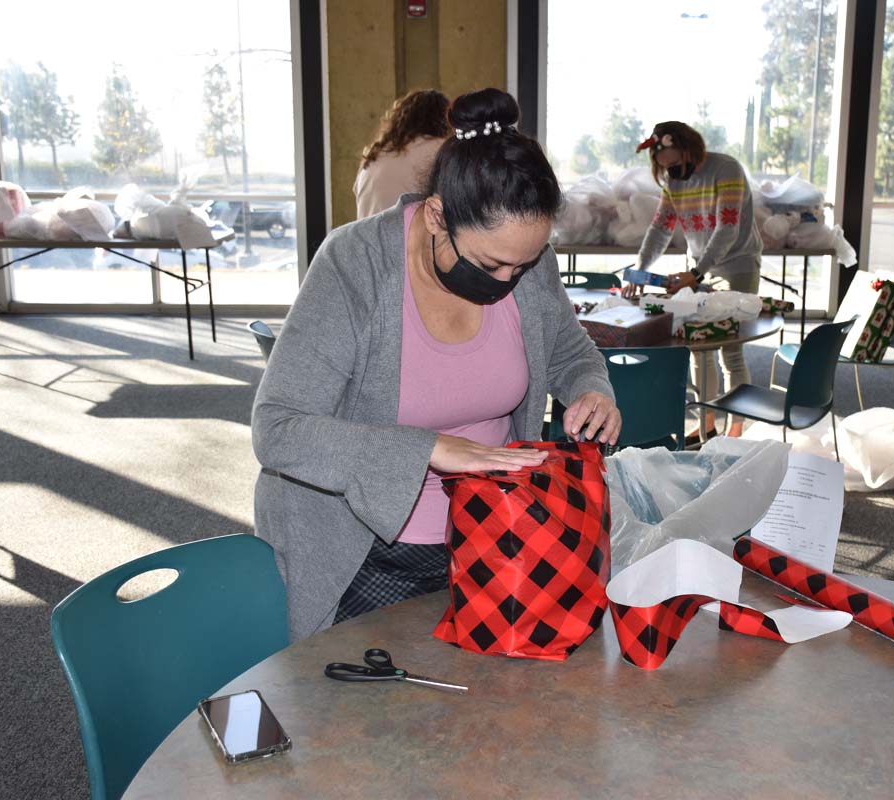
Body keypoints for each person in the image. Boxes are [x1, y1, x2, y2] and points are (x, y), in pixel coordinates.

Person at [254, 88, 622, 642]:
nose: (507, 283)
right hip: (366, 549)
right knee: (376, 710)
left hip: (496, 532)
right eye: (490, 263)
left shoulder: (525, 257)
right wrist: (429, 448)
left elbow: (570, 351)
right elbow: (278, 429)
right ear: (435, 216)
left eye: (522, 267)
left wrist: (591, 388)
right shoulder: (355, 265)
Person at [629, 121, 763, 440]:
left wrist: (696, 272)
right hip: (700, 268)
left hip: (736, 266)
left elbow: (727, 229)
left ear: (689, 149)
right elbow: (660, 229)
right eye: (665, 167)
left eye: (675, 163)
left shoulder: (726, 169)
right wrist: (639, 267)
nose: (672, 172)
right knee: (700, 348)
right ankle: (706, 425)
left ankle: (736, 428)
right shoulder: (675, 183)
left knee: (730, 350)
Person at [353, 89, 451, 219]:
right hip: (404, 237)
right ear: (445, 119)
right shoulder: (440, 149)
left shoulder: (373, 157)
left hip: (364, 238)